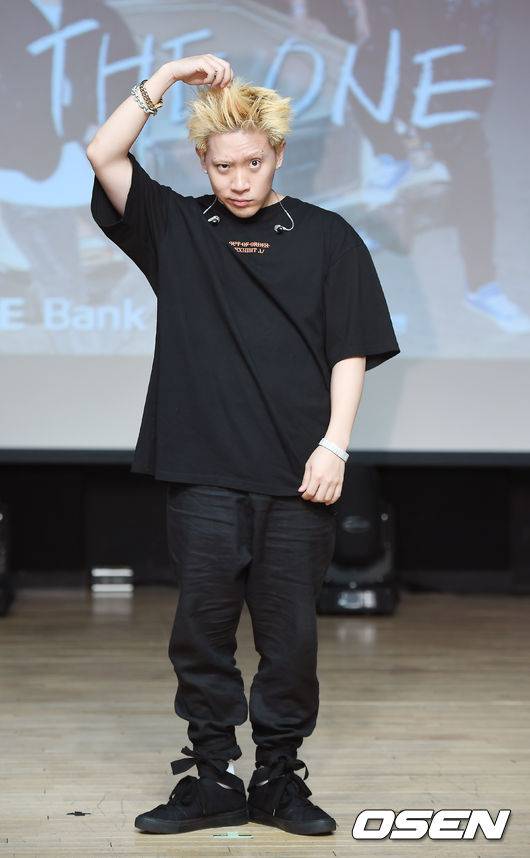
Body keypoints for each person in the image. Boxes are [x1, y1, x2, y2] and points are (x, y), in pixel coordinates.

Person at [87, 53, 400, 837]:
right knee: (201, 633)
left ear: (278, 155)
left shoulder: (328, 237)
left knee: (290, 640)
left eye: (253, 163)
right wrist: (165, 77)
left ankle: (278, 780)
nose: (238, 180)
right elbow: (103, 153)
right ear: (203, 161)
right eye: (223, 166)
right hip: (202, 470)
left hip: (299, 473)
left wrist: (335, 446)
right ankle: (213, 779)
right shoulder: (177, 227)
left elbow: (350, 349)